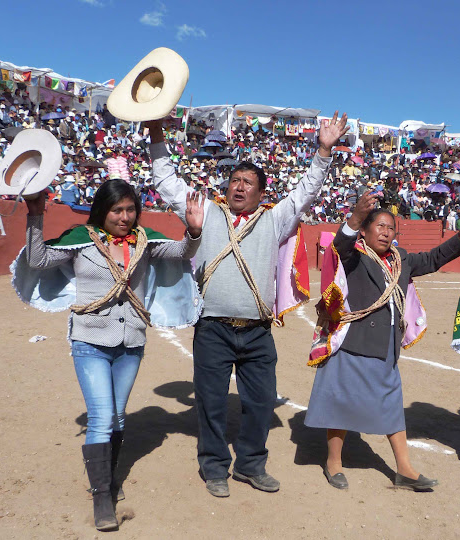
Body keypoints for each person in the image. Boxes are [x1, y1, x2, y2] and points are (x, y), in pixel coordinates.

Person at [147, 112, 350, 498]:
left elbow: (306, 191)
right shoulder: (206, 212)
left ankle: (250, 465)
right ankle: (214, 467)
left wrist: (324, 150)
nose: (239, 187)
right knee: (210, 402)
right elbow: (166, 182)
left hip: (257, 332)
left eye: (248, 183)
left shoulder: (275, 220)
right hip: (212, 328)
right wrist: (157, 132)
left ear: (261, 193)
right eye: (235, 180)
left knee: (261, 402)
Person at [16, 181, 204, 531]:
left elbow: (182, 252)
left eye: (131, 209)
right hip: (90, 340)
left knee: (117, 416)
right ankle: (103, 497)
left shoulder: (144, 241)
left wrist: (193, 231)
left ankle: (109, 477)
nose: (125, 217)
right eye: (117, 210)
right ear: (102, 210)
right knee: (102, 416)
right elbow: (37, 259)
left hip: (131, 341)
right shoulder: (80, 240)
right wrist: (35, 215)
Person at [304, 192, 460, 491]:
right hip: (354, 342)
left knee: (392, 406)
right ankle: (333, 462)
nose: (386, 232)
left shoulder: (401, 259)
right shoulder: (353, 256)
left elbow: (432, 260)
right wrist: (355, 217)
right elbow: (339, 245)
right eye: (380, 226)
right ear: (365, 230)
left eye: (391, 228)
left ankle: (405, 470)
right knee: (341, 404)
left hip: (386, 345)